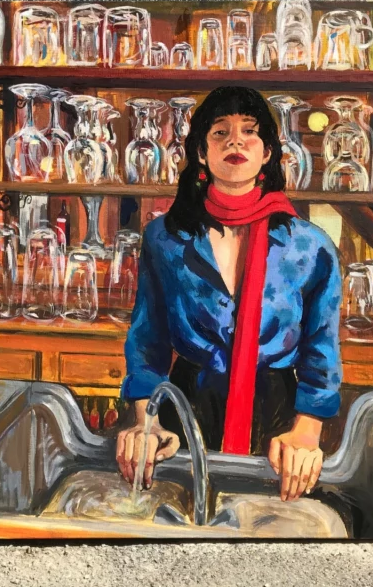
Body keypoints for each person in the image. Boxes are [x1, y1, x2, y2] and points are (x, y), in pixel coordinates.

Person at [117, 86, 342, 502]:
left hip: (277, 420)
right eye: (220, 132)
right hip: (183, 410)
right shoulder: (164, 238)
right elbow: (148, 340)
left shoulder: (310, 246)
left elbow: (321, 350)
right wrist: (146, 422)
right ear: (201, 153)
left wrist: (307, 433)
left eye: (249, 131)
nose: (235, 142)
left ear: (268, 152)